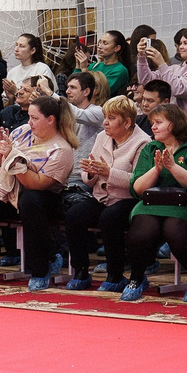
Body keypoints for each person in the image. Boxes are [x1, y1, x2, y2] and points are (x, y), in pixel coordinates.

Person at [123, 104, 187, 303]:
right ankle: (137, 278)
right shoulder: (150, 147)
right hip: (150, 202)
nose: (153, 127)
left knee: (176, 230)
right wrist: (156, 170)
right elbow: (137, 188)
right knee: (141, 231)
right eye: (152, 123)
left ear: (173, 125)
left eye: (158, 123)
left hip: (184, 203)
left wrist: (172, 166)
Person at [65, 94, 148, 292]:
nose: (105, 123)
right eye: (105, 117)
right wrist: (91, 172)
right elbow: (89, 172)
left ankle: (115, 274)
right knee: (74, 215)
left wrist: (108, 173)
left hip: (128, 199)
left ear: (127, 122)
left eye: (111, 118)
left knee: (109, 218)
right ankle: (81, 271)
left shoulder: (143, 142)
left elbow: (138, 182)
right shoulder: (102, 136)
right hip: (101, 196)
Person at [0, 95, 77, 289]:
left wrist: (13, 160)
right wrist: (1, 150)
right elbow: (1, 162)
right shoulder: (22, 131)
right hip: (15, 190)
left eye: (34, 118)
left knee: (30, 200)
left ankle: (40, 269)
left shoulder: (62, 149)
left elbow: (37, 184)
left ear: (50, 119)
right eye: (28, 117)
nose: (29, 122)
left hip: (45, 198)